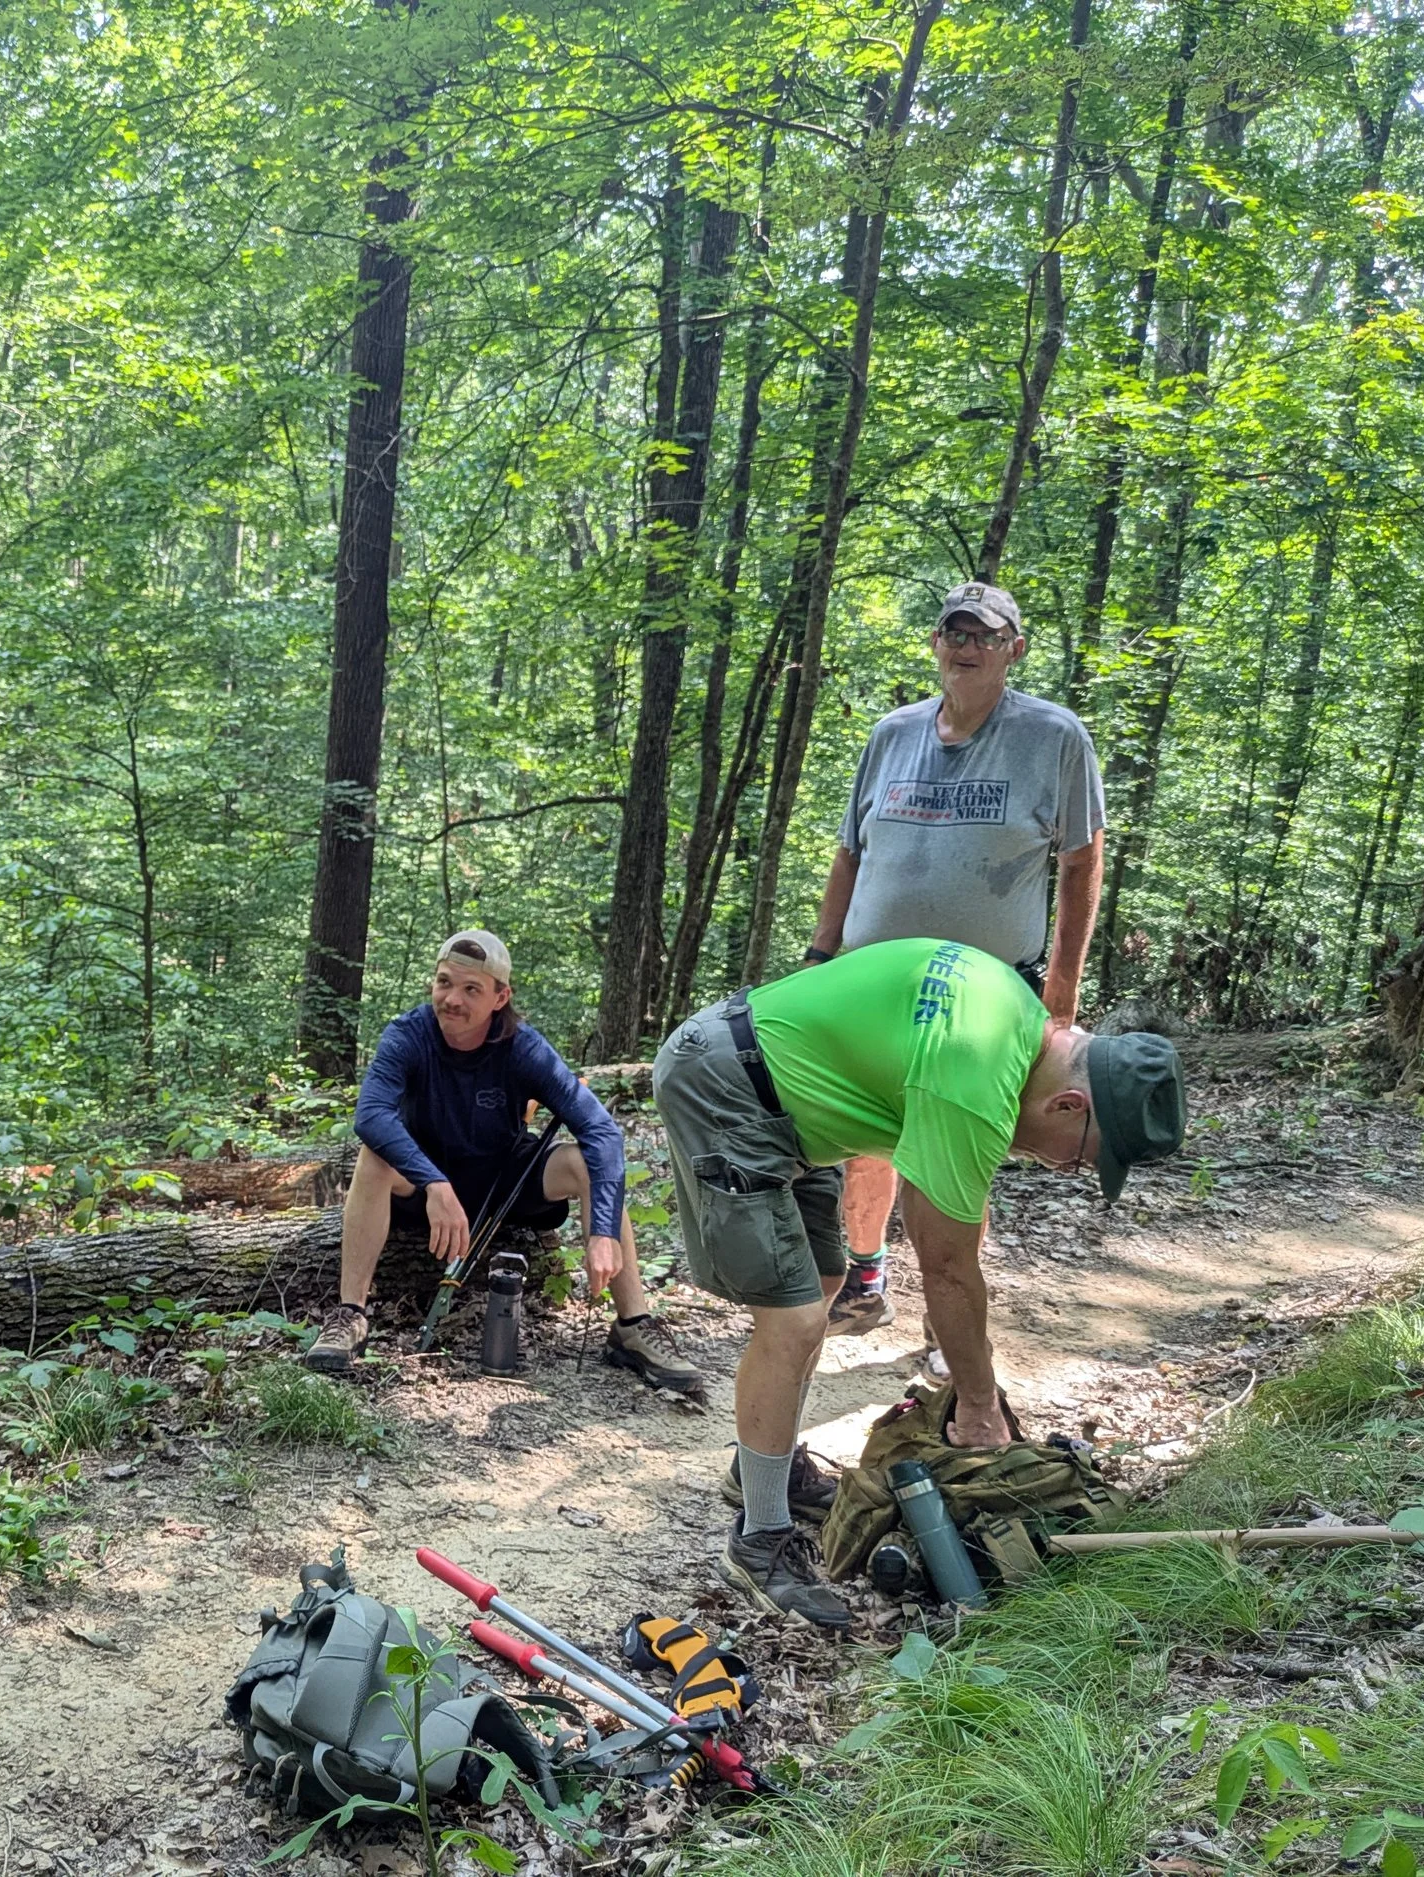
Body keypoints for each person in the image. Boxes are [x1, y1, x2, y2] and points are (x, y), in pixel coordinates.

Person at [651, 939, 1182, 1628]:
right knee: (794, 1316)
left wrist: (976, 1390)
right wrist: (981, 1405)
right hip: (726, 1082)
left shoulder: (1015, 1018)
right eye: (1084, 1157)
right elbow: (948, 1268)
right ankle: (760, 1539)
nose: (1068, 1169)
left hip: (782, 1091)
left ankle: (763, 1474)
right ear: (1069, 1105)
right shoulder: (976, 1076)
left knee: (824, 1279)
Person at [803, 580, 1105, 1338]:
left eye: (985, 636)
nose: (967, 647)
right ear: (936, 643)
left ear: (1015, 648)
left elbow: (1080, 862)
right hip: (873, 982)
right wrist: (820, 955)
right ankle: (866, 1279)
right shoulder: (891, 734)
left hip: (988, 994)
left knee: (957, 1151)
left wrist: (1061, 996)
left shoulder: (1054, 737)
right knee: (867, 1133)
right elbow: (849, 853)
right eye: (955, 633)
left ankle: (948, 1327)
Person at [305, 931, 702, 1393]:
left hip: (505, 1180)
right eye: (444, 982)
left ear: (501, 997)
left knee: (584, 1162)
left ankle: (633, 1325)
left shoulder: (523, 1047)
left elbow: (601, 1132)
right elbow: (371, 1116)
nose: (452, 999)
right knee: (373, 1158)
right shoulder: (408, 1035)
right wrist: (434, 1182)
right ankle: (350, 1315)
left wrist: (603, 1230)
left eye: (471, 989)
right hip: (426, 1181)